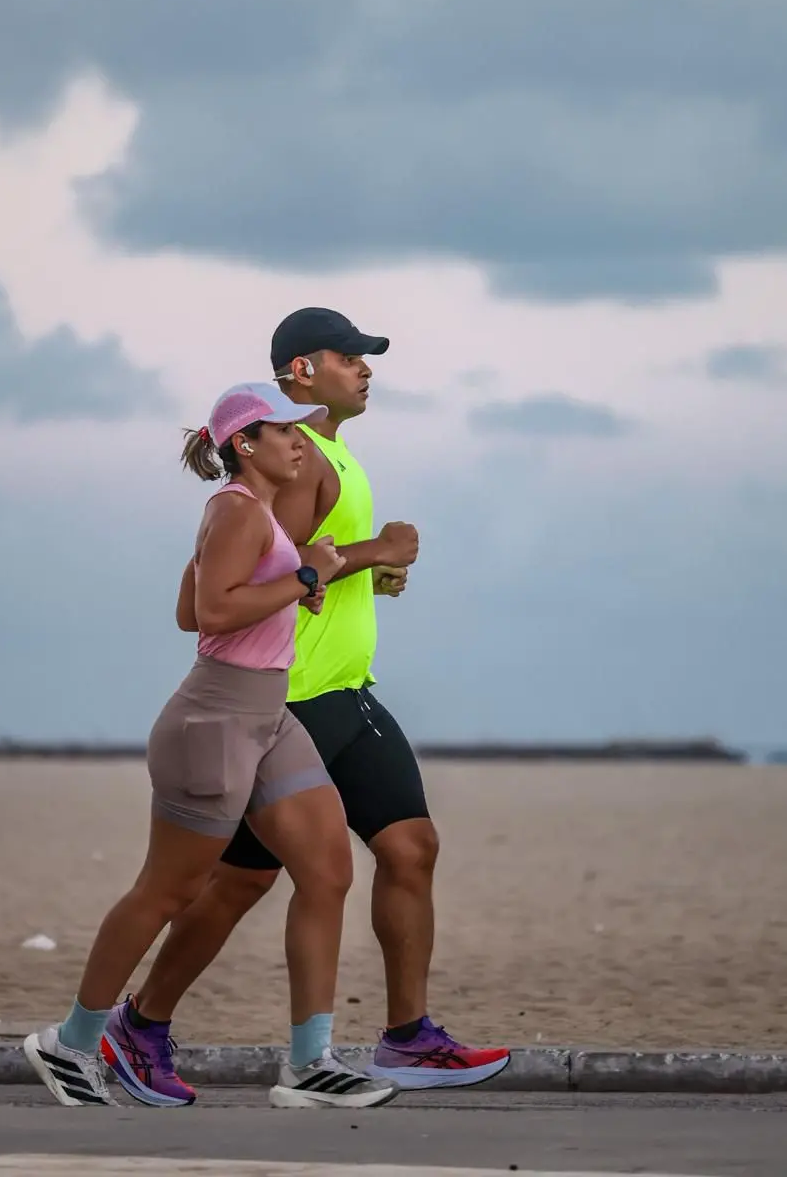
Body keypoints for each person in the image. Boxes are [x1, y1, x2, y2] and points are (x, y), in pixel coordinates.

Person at [102, 309, 511, 1106]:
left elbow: (310, 571)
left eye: (366, 358)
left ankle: (406, 1039)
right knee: (236, 885)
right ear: (300, 370)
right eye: (349, 357)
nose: (365, 369)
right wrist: (374, 553)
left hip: (347, 694)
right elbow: (268, 578)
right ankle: (138, 1025)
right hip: (294, 701)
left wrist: (367, 573)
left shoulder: (330, 455)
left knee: (411, 848)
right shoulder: (295, 462)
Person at [23, 381, 401, 1111]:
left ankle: (310, 1064)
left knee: (325, 871)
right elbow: (209, 613)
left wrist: (298, 579)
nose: (300, 442)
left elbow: (189, 604)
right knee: (167, 890)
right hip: (216, 721)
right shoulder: (233, 509)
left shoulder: (255, 515)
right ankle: (70, 1042)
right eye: (285, 432)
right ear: (245, 445)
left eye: (302, 433)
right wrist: (306, 575)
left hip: (268, 716)